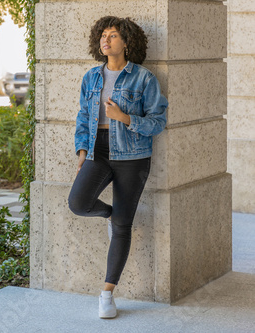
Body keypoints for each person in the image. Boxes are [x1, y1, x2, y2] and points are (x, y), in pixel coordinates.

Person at [68, 16, 168, 319]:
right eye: (102, 35)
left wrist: (124, 118)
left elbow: (158, 121)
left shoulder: (143, 78)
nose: (105, 40)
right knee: (78, 203)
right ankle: (110, 215)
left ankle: (107, 294)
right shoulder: (91, 77)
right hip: (98, 150)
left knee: (124, 226)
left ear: (126, 42)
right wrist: (82, 151)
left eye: (112, 36)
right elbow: (83, 116)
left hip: (132, 155)